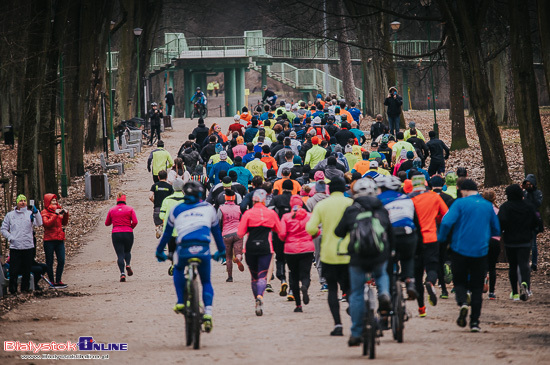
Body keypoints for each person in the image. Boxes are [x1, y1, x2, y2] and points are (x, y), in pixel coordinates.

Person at [156, 181, 225, 332]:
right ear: (200, 194)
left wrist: (159, 252)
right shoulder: (208, 209)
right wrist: (221, 251)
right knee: (206, 281)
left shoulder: (176, 209)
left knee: (179, 268)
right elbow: (217, 234)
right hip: (203, 249)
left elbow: (167, 234)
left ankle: (181, 301)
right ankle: (208, 313)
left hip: (184, 249)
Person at [334, 178, 393, 346]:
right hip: (379, 254)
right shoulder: (381, 209)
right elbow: (389, 233)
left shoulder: (351, 209)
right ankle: (384, 294)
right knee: (381, 274)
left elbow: (339, 232)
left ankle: (356, 332)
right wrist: (391, 251)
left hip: (358, 256)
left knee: (357, 293)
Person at [438, 179, 500, 332]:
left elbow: (446, 222)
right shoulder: (487, 206)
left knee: (459, 282)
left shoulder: (459, 204)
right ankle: (474, 323)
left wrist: (442, 239)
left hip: (460, 249)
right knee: (477, 288)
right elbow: (496, 229)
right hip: (480, 251)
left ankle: (463, 303)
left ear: (464, 190)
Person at [306, 177, 353, 336]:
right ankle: (356, 321)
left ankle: (338, 324)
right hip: (348, 253)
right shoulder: (351, 204)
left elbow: (311, 228)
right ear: (344, 189)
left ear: (329, 190)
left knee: (332, 290)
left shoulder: (322, 205)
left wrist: (319, 233)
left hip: (328, 254)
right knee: (350, 289)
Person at [237, 189, 281, 316]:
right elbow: (280, 230)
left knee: (254, 276)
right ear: (264, 200)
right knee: (262, 275)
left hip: (250, 247)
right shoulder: (270, 213)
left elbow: (240, 233)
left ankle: (256, 296)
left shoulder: (248, 214)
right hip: (265, 247)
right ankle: (260, 297)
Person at [409, 175, 448, 316]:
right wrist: (437, 219)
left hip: (415, 240)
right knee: (432, 266)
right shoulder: (434, 197)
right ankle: (431, 283)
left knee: (417, 273)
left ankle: (421, 308)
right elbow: (446, 215)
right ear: (426, 185)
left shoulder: (410, 200)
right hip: (432, 237)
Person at [498, 184, 538, 301]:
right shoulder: (528, 206)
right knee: (524, 264)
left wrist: (503, 231)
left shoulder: (505, 207)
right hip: (525, 240)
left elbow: (501, 221)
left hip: (510, 241)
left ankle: (515, 293)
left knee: (513, 266)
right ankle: (525, 283)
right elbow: (536, 222)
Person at [279, 195, 317, 312]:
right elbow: (316, 231)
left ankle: (298, 305)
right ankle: (305, 286)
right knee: (306, 274)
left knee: (294, 276)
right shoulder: (309, 216)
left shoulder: (286, 217)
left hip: (291, 250)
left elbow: (281, 234)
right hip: (307, 249)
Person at [1, 195, 43, 294]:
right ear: (17, 203)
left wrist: (36, 213)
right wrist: (11, 237)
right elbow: (3, 229)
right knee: (14, 270)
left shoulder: (30, 214)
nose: (23, 202)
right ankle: (13, 289)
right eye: (21, 201)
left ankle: (25, 288)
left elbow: (39, 223)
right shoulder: (10, 215)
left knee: (27, 269)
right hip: (15, 246)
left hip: (28, 246)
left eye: (24, 200)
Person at [105, 193, 138, 282]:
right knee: (127, 251)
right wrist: (130, 227)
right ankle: (128, 264)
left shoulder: (112, 210)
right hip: (128, 232)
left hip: (116, 233)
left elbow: (107, 223)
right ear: (125, 200)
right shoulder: (130, 209)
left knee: (120, 254)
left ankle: (122, 273)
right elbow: (135, 221)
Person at [41, 194, 69, 288]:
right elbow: (47, 224)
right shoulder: (44, 212)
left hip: (59, 239)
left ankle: (58, 280)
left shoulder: (58, 210)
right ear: (48, 202)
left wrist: (66, 214)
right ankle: (51, 281)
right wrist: (55, 215)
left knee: (61, 260)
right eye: (52, 201)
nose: (55, 203)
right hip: (49, 240)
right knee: (50, 261)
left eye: (55, 201)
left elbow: (64, 223)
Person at [159, 178, 186, 273]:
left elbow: (161, 215)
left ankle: (174, 264)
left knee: (172, 249)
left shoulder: (167, 200)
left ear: (173, 187)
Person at [218, 190, 244, 282]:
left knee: (228, 256)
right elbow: (242, 220)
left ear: (226, 198)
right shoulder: (239, 208)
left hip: (226, 234)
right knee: (238, 252)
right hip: (238, 233)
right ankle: (238, 258)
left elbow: (219, 221)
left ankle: (230, 277)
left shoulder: (221, 208)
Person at [522, 174, 543, 271]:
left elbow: (538, 204)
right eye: (527, 184)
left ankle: (534, 263)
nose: (529, 186)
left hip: (534, 219)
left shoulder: (538, 193)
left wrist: (532, 194)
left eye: (530, 184)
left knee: (533, 244)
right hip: (525, 219)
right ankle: (526, 262)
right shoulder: (524, 193)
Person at [482, 191, 500, 300]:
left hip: (483, 239)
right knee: (492, 267)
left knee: (481, 263)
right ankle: (492, 292)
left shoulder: (480, 210)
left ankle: (483, 280)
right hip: (494, 240)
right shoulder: (497, 211)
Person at [149, 170, 174, 238]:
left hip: (157, 208)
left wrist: (155, 201)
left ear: (158, 177)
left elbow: (150, 196)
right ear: (166, 177)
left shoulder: (154, 186)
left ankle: (158, 229)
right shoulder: (170, 187)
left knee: (158, 224)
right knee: (166, 226)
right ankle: (164, 245)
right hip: (166, 209)